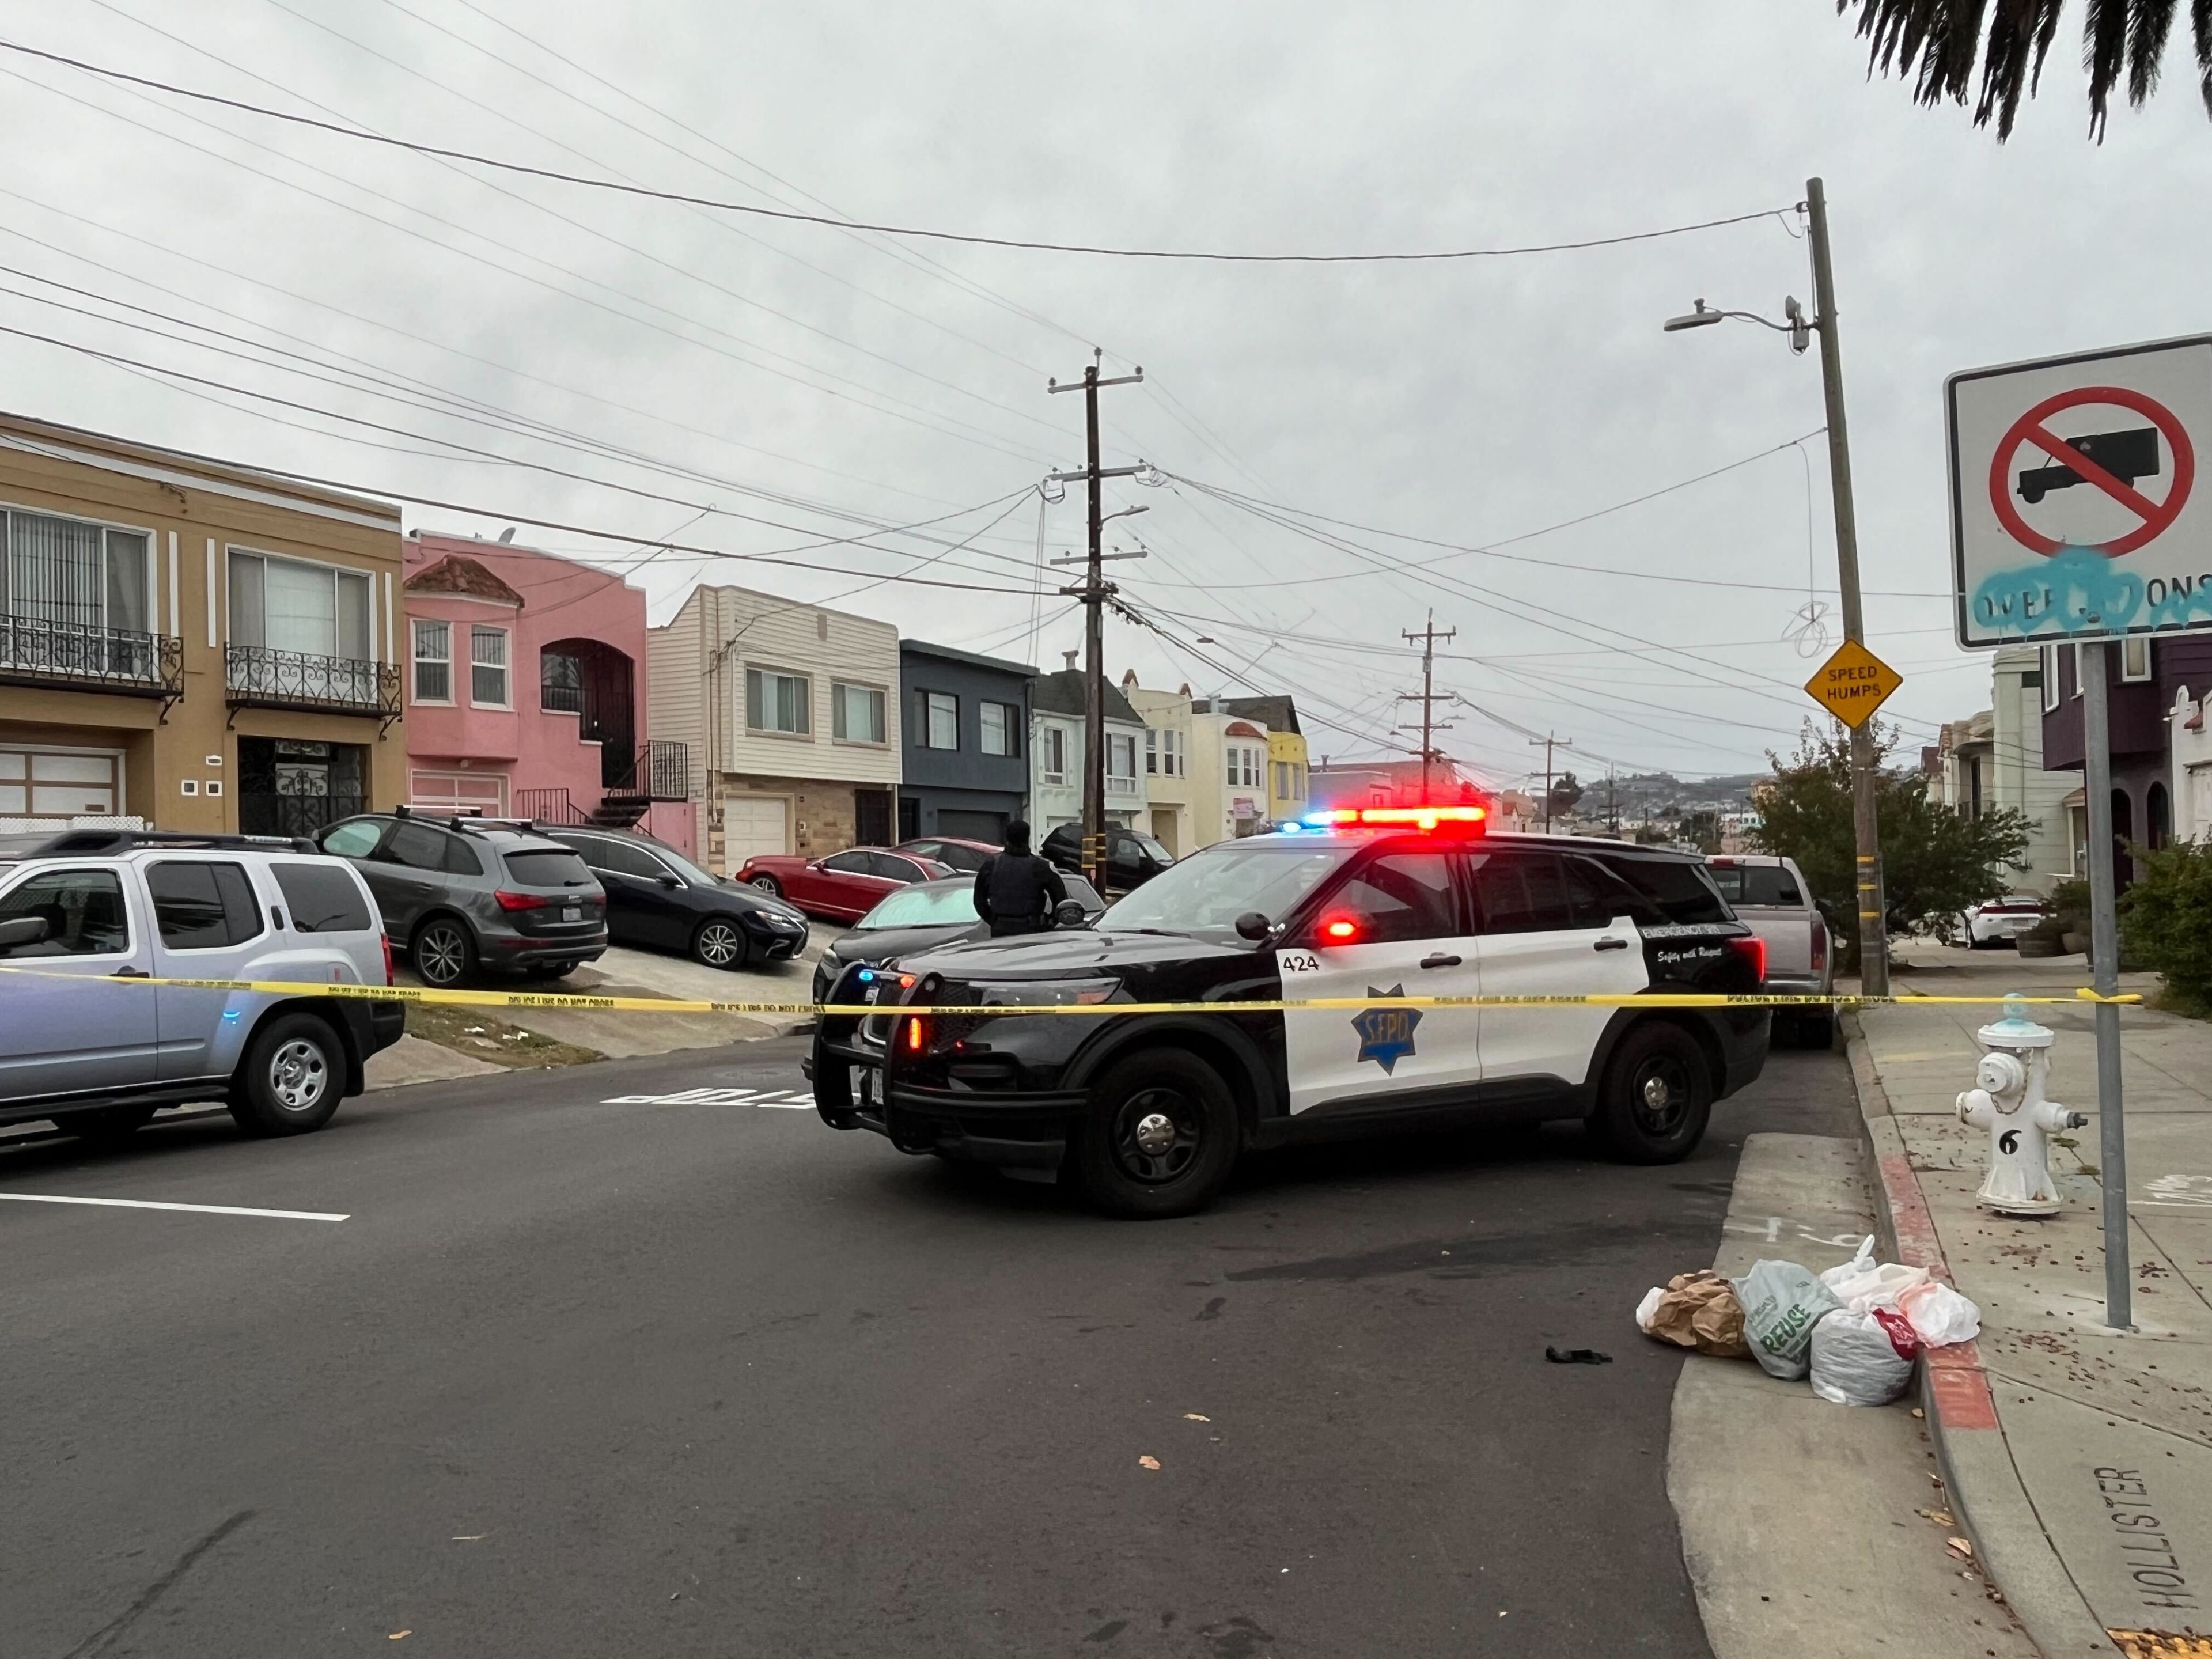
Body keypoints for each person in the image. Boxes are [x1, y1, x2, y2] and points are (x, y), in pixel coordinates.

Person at [973, 821, 1068, 938]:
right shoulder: (1039, 866)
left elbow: (979, 900)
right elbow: (1061, 898)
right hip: (1031, 930)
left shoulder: (992, 864)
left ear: (1007, 837)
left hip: (1001, 929)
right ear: (1027, 838)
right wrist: (1050, 921)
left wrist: (994, 920)